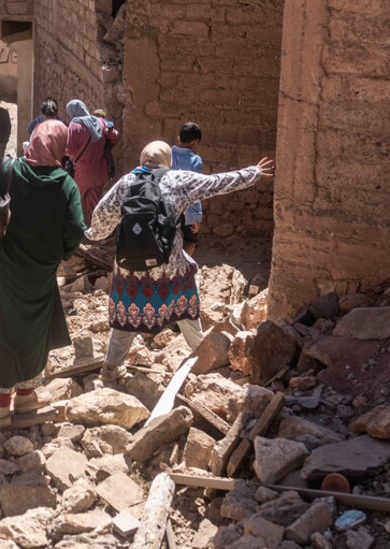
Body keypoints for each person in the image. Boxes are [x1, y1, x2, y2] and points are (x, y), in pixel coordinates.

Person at [85, 141, 275, 381]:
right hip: (169, 266)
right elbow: (217, 183)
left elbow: (100, 223)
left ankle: (110, 368)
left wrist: (90, 235)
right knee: (186, 307)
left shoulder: (125, 183)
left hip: (129, 268)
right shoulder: (178, 180)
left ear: (142, 159)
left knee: (125, 319)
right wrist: (253, 173)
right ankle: (205, 355)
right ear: (167, 160)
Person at [0, 120, 88, 426]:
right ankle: (26, 396)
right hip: (40, 271)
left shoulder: (9, 170)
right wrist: (61, 253)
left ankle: (2, 406)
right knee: (32, 331)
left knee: (0, 329)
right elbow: (76, 229)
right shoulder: (65, 184)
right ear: (60, 146)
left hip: (2, 265)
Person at [65, 99, 120, 225]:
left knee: (74, 202)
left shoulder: (74, 125)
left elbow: (70, 150)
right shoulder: (99, 122)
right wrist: (106, 146)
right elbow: (116, 136)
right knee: (94, 206)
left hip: (82, 173)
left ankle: (74, 232)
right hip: (100, 171)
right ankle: (96, 234)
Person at [172, 122, 204, 256]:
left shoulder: (167, 153)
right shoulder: (195, 160)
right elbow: (194, 190)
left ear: (179, 137)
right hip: (186, 210)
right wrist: (195, 217)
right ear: (195, 141)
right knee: (191, 240)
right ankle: (183, 269)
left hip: (168, 208)